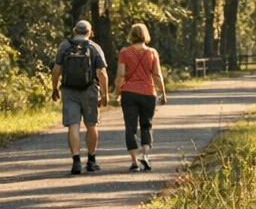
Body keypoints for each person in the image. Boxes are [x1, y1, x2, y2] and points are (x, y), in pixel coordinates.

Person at [50, 19, 110, 175]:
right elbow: (102, 73)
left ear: (74, 30)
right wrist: (104, 93)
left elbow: (56, 69)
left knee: (73, 126)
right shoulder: (94, 47)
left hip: (69, 91)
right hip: (89, 90)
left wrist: (54, 88)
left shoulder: (65, 45)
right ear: (89, 32)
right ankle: (91, 160)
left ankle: (76, 161)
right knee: (91, 125)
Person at [113, 22, 168, 171]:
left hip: (129, 93)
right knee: (146, 124)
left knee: (130, 127)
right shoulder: (152, 52)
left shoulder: (125, 52)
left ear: (131, 35)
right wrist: (163, 92)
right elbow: (157, 74)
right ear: (145, 35)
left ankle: (134, 161)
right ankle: (145, 155)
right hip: (148, 93)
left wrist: (118, 91)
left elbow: (121, 75)